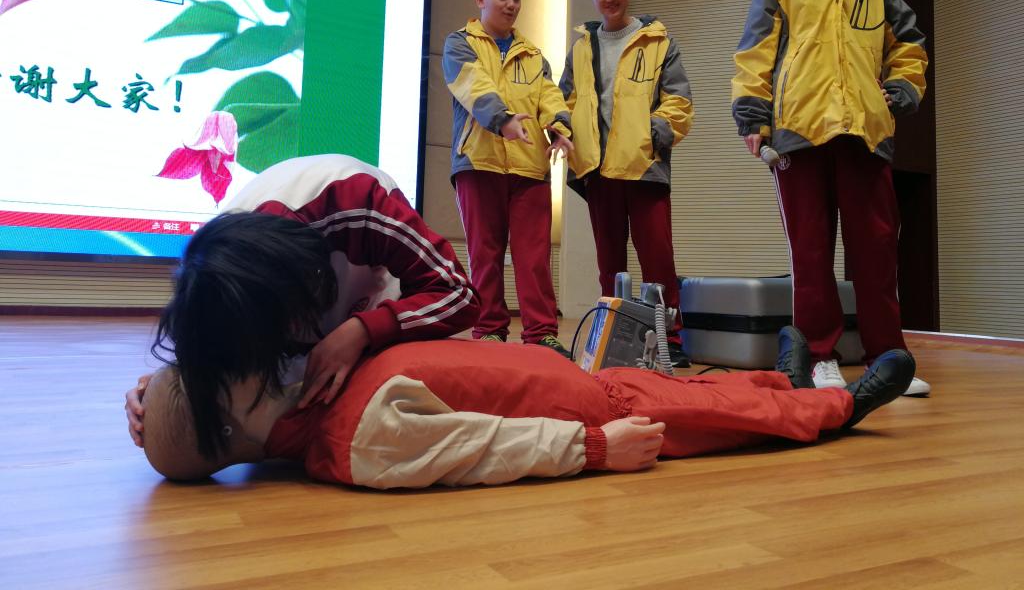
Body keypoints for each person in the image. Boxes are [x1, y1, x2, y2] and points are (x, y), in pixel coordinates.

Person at [140, 327, 916, 488]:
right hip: (594, 416)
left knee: (708, 392)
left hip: (583, 382)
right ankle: (838, 408)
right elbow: (483, 448)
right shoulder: (357, 441)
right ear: (233, 428)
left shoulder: (314, 388)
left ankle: (787, 384)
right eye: (225, 380)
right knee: (730, 426)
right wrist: (595, 449)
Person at [125, 153, 480, 458]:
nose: (300, 334)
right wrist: (163, 393)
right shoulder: (216, 277)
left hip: (377, 293)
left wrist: (362, 330)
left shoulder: (355, 200)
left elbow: (460, 295)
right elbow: (213, 347)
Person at [731, 0, 930, 396]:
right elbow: (755, 52)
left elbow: (908, 44)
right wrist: (752, 115)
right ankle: (820, 356)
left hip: (865, 131)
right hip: (799, 131)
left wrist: (901, 90)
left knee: (877, 252)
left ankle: (888, 359)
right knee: (811, 253)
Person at [559, 0, 694, 344]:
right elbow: (565, 100)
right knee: (609, 266)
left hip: (644, 166)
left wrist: (650, 136)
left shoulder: (659, 42)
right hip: (599, 171)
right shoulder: (581, 48)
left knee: (658, 261)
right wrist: (562, 132)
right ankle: (614, 340)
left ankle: (669, 340)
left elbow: (679, 101)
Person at [442, 0, 574, 355]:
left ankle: (541, 333)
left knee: (534, 257)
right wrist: (502, 120)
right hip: (477, 162)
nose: (512, 4)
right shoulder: (459, 44)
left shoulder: (533, 54)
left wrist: (560, 128)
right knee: (484, 253)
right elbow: (473, 86)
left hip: (530, 166)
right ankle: (489, 330)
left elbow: (549, 95)